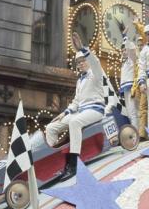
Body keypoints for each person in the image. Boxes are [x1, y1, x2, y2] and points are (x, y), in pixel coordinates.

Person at [45, 32, 105, 181]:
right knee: (51, 127)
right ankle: (55, 164)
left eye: (83, 61)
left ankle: (73, 164)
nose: (80, 64)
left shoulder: (96, 73)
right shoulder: (80, 81)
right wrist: (65, 112)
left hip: (95, 110)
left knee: (74, 122)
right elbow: (76, 101)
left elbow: (96, 62)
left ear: (88, 60)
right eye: (78, 62)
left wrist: (82, 48)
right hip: (81, 111)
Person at [120, 32, 139, 130]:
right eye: (122, 51)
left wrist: (125, 37)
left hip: (132, 88)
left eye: (125, 50)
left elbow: (131, 48)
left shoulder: (132, 60)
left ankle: (137, 133)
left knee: (133, 111)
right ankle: (136, 131)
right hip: (125, 89)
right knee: (130, 112)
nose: (124, 52)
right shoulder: (123, 63)